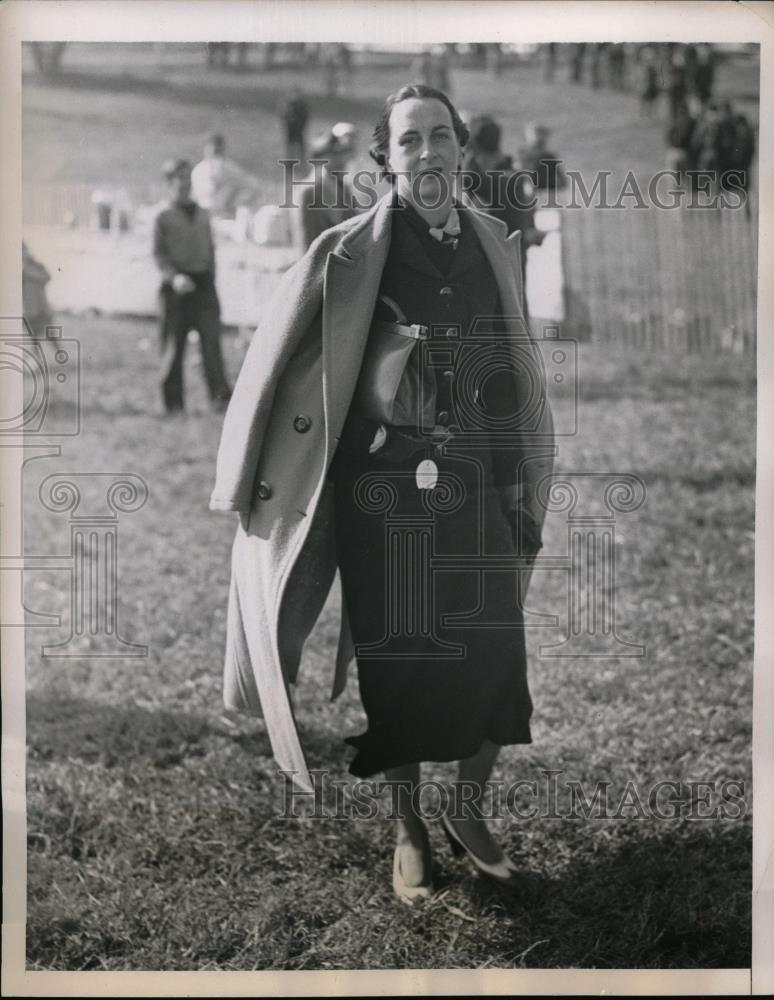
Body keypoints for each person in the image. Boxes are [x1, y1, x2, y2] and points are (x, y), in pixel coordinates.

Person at [210, 84, 554, 903]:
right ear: (386, 159)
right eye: (409, 141)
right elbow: (271, 369)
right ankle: (408, 831)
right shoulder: (345, 253)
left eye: (441, 136)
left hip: (475, 484)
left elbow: (509, 373)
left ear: (463, 150)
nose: (427, 153)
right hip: (382, 494)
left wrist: (515, 484)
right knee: (397, 669)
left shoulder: (495, 244)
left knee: (496, 659)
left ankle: (468, 811)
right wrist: (248, 479)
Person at [153, 158, 232, 414]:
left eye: (189, 179)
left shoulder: (203, 214)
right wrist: (174, 277)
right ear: (169, 183)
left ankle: (219, 398)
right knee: (173, 348)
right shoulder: (162, 216)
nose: (185, 185)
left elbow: (210, 249)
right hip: (176, 287)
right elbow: (159, 255)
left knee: (211, 344)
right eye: (180, 179)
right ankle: (173, 404)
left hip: (203, 285)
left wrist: (210, 278)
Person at [463, 114, 545, 284]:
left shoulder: (495, 179)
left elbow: (466, 178)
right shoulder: (514, 174)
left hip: (499, 265)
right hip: (511, 261)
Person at [290, 124, 359, 253]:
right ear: (322, 158)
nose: (343, 160)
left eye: (343, 153)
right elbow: (305, 242)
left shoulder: (344, 188)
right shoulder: (308, 192)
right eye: (336, 155)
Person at [190, 133, 260, 219]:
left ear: (222, 149)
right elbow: (192, 195)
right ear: (206, 148)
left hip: (223, 217)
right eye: (212, 148)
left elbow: (253, 187)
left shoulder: (229, 168)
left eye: (217, 149)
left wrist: (234, 201)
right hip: (202, 217)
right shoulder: (198, 170)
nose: (214, 151)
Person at [520, 122, 568, 195]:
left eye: (542, 135)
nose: (540, 139)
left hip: (542, 196)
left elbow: (562, 183)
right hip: (527, 195)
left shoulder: (550, 157)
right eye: (537, 134)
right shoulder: (523, 155)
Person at [279, 87, 309, 164]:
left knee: (299, 144)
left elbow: (305, 116)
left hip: (299, 128)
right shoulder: (288, 104)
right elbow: (284, 116)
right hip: (291, 128)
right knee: (291, 145)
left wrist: (301, 126)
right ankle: (290, 160)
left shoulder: (302, 105)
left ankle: (301, 160)